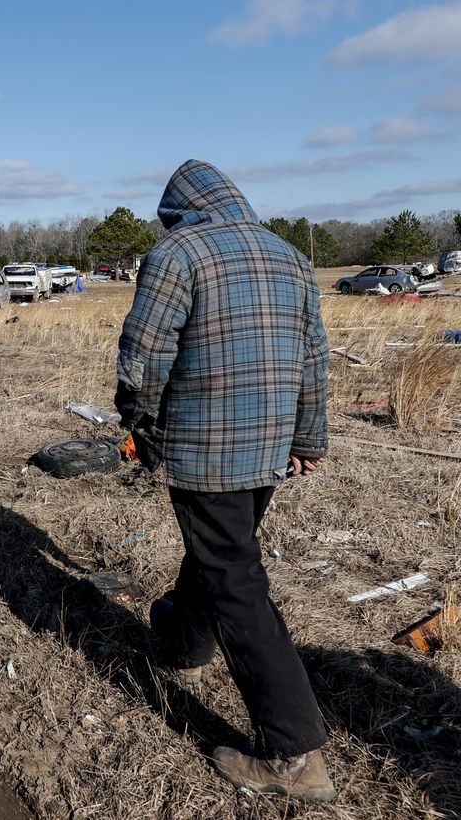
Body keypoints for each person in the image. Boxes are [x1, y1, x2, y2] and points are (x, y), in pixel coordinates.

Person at [115, 159, 334, 802]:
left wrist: (137, 418)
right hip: (268, 450)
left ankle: (295, 757)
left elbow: (145, 351)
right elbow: (313, 357)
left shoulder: (177, 252)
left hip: (205, 451)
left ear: (180, 209)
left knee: (236, 581)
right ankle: (184, 642)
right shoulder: (290, 256)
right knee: (221, 551)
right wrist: (308, 439)